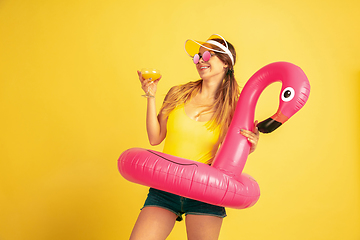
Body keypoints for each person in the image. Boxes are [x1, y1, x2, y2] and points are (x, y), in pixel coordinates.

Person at [131, 34, 260, 240]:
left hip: (205, 193)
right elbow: (155, 138)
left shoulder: (235, 108)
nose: (200, 60)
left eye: (207, 55)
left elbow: (231, 155)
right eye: (197, 57)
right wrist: (151, 95)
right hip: (165, 188)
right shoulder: (178, 93)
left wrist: (249, 145)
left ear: (226, 62)